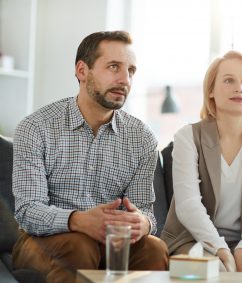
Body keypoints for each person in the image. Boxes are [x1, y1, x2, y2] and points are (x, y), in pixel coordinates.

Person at [12, 31, 168, 283]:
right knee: (80, 246)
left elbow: (145, 212)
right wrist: (77, 220)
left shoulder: (142, 137)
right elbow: (28, 212)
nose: (124, 79)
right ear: (82, 71)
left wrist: (143, 223)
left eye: (131, 71)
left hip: (112, 242)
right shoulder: (36, 127)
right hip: (42, 241)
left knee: (154, 248)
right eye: (114, 67)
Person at [160, 51, 242, 272]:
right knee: (217, 269)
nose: (240, 88)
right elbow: (189, 206)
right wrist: (221, 249)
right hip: (191, 239)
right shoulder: (187, 137)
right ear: (210, 91)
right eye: (229, 80)